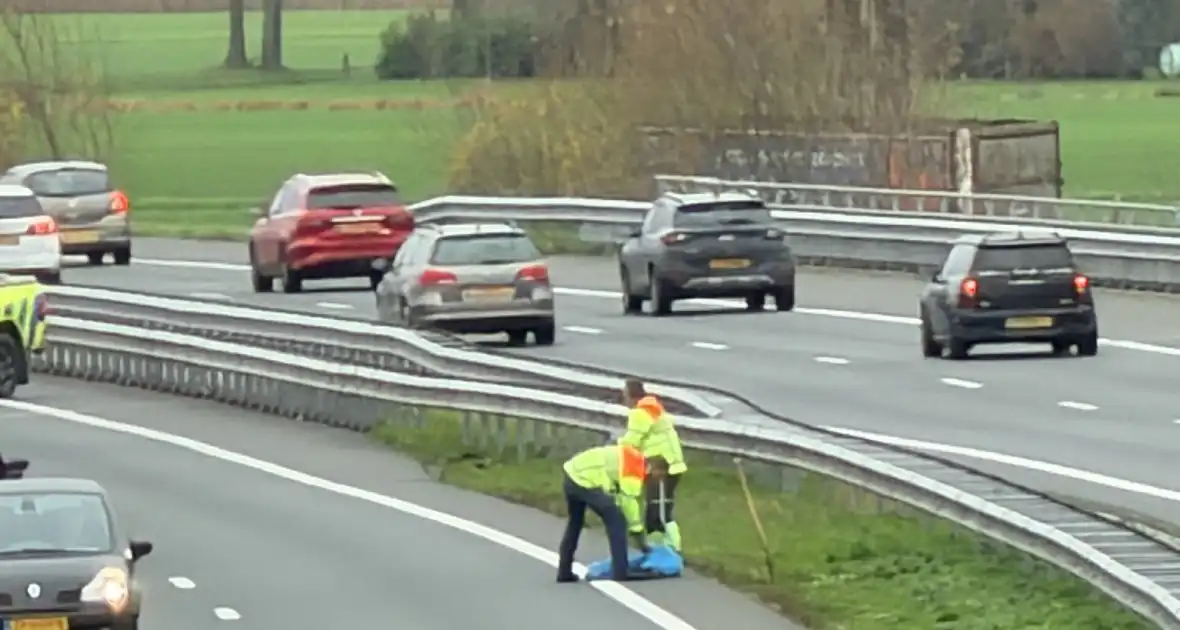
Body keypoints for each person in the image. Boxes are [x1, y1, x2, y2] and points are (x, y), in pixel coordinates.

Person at [556, 444, 669, 583]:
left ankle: (564, 571)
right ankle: (621, 570)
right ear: (654, 468)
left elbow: (619, 494)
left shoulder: (633, 458)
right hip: (586, 479)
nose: (658, 481)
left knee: (575, 522)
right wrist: (639, 537)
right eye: (660, 476)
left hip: (572, 474)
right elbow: (629, 501)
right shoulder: (635, 467)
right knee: (616, 520)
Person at [618, 378, 687, 552]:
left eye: (624, 395)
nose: (623, 400)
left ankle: (667, 549)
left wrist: (615, 448)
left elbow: (633, 439)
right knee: (662, 508)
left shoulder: (640, 412)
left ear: (630, 396)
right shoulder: (652, 407)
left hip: (661, 466)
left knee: (657, 513)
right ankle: (666, 547)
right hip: (670, 464)